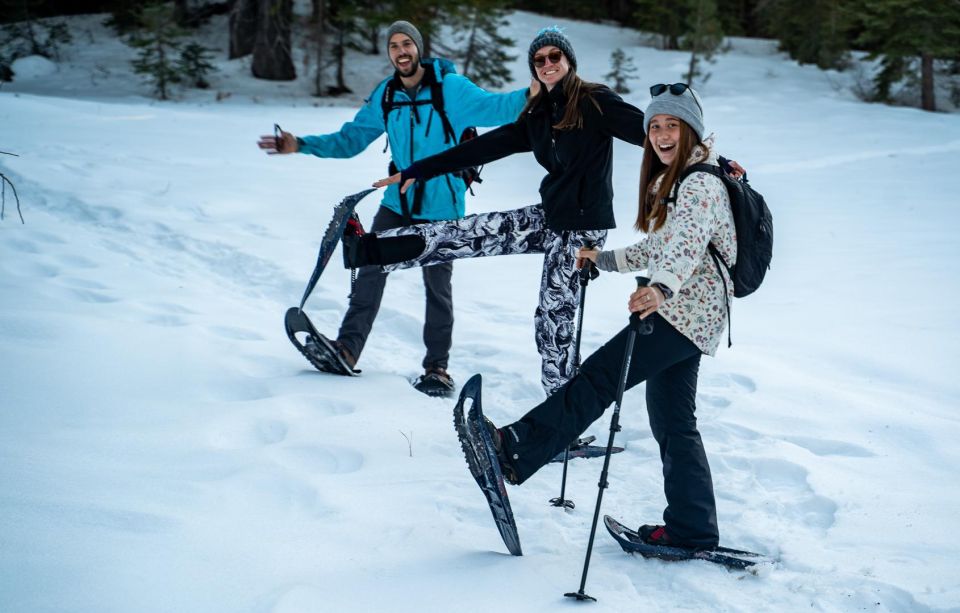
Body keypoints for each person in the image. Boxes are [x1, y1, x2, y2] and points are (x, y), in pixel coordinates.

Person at [473, 84, 736, 550]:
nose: (660, 134)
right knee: (674, 423)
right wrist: (605, 259)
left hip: (681, 311)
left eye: (672, 124)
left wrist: (659, 288)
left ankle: (514, 448)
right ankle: (693, 530)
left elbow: (686, 248)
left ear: (691, 129)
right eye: (654, 125)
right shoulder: (684, 180)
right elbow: (662, 246)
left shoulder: (699, 184)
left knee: (597, 379)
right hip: (693, 316)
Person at [363, 26, 650, 396]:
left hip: (582, 229)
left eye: (554, 57)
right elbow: (484, 147)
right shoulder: (539, 112)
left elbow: (652, 132)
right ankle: (378, 249)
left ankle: (563, 423)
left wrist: (707, 159)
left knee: (552, 321)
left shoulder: (594, 100)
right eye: (539, 59)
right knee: (473, 231)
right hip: (550, 217)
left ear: (568, 61)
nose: (547, 64)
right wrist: (418, 171)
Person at [258, 21, 532, 394]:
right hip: (396, 202)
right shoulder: (386, 95)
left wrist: (537, 90)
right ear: (389, 53)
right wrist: (301, 144)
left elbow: (495, 106)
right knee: (370, 268)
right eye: (393, 46)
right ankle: (347, 350)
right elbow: (351, 139)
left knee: (438, 287)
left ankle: (437, 368)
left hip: (442, 205)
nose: (401, 51)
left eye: (407, 44)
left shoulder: (449, 88)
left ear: (419, 48)